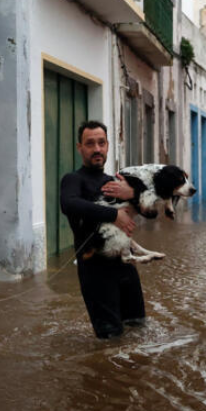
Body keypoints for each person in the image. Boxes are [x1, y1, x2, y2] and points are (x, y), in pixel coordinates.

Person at [59, 120, 145, 339]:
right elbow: (69, 204)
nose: (97, 149)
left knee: (138, 329)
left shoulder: (116, 182)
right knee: (110, 339)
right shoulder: (73, 180)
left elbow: (150, 212)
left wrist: (132, 194)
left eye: (101, 143)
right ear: (80, 148)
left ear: (107, 145)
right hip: (95, 271)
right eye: (90, 144)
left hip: (126, 268)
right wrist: (114, 215)